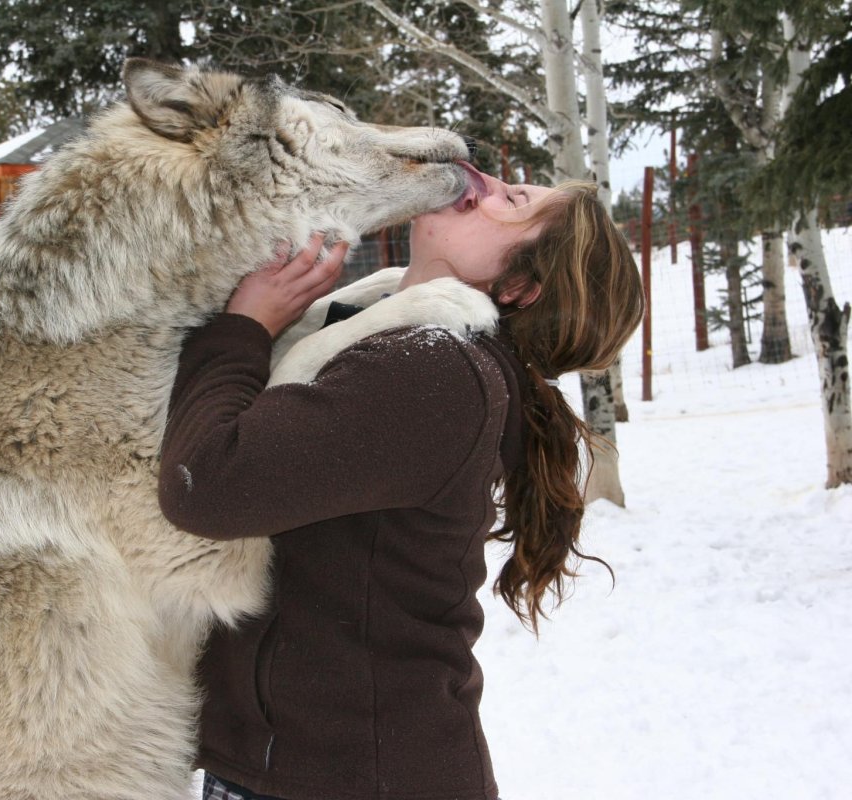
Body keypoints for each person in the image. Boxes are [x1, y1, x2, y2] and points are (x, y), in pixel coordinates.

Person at [158, 164, 645, 800]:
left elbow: (209, 485)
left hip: (348, 777)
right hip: (305, 766)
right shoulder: (378, 337)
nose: (486, 183)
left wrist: (246, 326)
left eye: (514, 199)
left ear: (522, 287)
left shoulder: (435, 371)